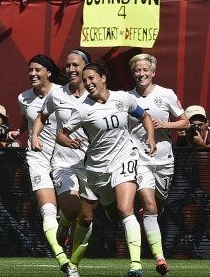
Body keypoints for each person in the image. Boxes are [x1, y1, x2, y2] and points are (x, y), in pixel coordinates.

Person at [56, 62, 156, 277]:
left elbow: (145, 116)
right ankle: (73, 263)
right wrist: (68, 142)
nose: (88, 83)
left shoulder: (123, 98)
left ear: (103, 77)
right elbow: (61, 134)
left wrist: (150, 136)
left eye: (92, 78)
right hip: (97, 168)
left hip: (124, 157)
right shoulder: (83, 109)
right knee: (93, 217)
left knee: (125, 209)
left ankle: (136, 266)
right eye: (85, 80)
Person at [28, 49, 100, 276]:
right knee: (70, 208)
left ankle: (74, 265)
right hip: (63, 162)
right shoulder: (57, 94)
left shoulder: (98, 96)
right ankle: (63, 225)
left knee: (87, 217)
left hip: (92, 163)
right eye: (68, 65)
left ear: (87, 68)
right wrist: (35, 135)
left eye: (76, 65)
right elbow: (42, 116)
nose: (71, 70)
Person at [7, 54, 79, 275]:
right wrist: (19, 131)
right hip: (37, 157)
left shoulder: (62, 93)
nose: (33, 74)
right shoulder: (24, 97)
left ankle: (64, 227)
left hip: (65, 158)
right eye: (30, 70)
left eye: (38, 69)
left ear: (48, 72)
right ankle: (63, 261)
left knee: (72, 210)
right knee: (48, 210)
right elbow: (27, 120)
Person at [126, 54, 189, 276]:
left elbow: (185, 122)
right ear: (133, 73)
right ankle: (160, 258)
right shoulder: (127, 98)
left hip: (163, 160)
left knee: (158, 204)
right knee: (150, 205)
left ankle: (150, 214)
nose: (141, 74)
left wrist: (164, 123)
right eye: (137, 70)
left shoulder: (166, 94)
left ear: (152, 72)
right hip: (139, 160)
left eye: (145, 70)